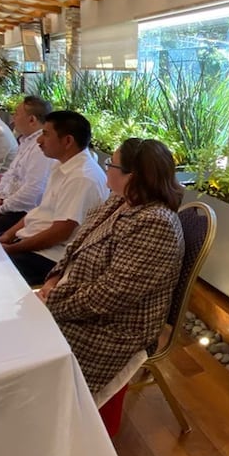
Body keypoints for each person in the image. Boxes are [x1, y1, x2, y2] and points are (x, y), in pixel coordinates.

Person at [37, 138, 185, 396]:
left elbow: (112, 293)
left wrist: (54, 303)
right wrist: (54, 279)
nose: (106, 167)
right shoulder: (120, 201)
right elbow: (75, 245)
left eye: (111, 164)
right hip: (76, 300)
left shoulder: (156, 223)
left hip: (113, 328)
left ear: (132, 176)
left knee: (24, 349)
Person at [0, 111, 108, 285]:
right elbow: (40, 211)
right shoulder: (61, 165)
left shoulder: (82, 177)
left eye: (46, 134)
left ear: (68, 141)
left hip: (49, 257)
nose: (39, 141)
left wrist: (12, 248)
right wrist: (8, 235)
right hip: (30, 242)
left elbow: (60, 233)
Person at [0, 96, 55, 234]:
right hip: (6, 202)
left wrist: (1, 208)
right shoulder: (26, 141)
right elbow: (10, 174)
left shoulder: (42, 148)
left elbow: (33, 192)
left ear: (32, 120)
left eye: (16, 114)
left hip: (22, 211)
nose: (12, 118)